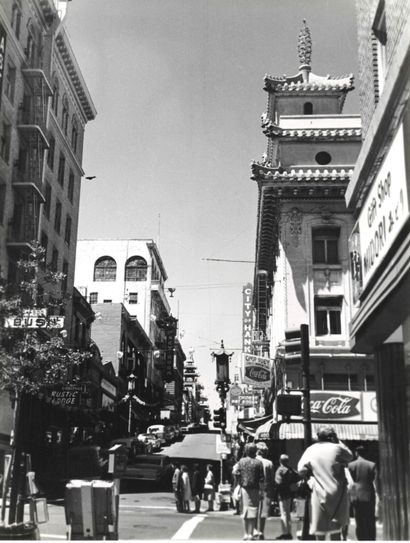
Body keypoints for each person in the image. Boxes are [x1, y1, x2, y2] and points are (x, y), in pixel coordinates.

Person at [297, 426, 353, 540]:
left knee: (320, 531)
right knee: (336, 531)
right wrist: (339, 442)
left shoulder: (311, 449)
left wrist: (312, 471)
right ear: (332, 436)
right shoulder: (337, 448)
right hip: (338, 493)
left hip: (318, 492)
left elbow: (300, 470)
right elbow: (350, 456)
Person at [235, 442, 265, 541]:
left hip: (244, 488)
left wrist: (238, 484)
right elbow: (261, 479)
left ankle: (246, 533)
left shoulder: (241, 461)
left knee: (244, 511)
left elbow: (237, 473)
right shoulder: (258, 463)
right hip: (255, 489)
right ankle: (251, 533)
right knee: (253, 511)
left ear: (246, 451)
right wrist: (261, 491)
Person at [347, 446, 378, 540]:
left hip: (355, 493)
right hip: (369, 492)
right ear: (366, 453)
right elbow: (375, 480)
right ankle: (370, 537)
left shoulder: (351, 465)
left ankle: (361, 538)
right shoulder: (372, 465)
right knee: (370, 517)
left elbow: (349, 480)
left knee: (358, 518)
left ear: (356, 453)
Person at [274, 453, 300, 540]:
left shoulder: (280, 470)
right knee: (288, 513)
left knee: (283, 513)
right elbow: (298, 477)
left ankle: (285, 533)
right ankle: (289, 532)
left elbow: (278, 482)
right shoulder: (290, 470)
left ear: (280, 461)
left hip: (282, 493)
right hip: (289, 492)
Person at [254, 443, 275, 540]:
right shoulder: (269, 463)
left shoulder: (253, 461)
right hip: (266, 489)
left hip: (254, 488)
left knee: (254, 510)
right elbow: (271, 479)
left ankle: (254, 530)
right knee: (263, 512)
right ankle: (261, 531)